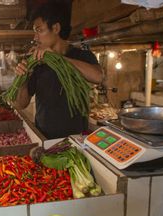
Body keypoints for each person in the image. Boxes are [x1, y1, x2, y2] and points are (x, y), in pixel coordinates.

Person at [14, 1, 103, 139]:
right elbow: (21, 104)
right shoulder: (36, 62)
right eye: (35, 31)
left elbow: (98, 77)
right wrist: (23, 79)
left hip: (77, 139)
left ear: (55, 28)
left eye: (39, 30)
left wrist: (59, 58)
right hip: (44, 137)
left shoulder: (81, 56)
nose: (35, 37)